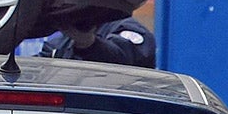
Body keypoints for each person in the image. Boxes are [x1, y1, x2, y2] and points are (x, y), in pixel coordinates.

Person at [16, 16, 156, 68]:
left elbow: (123, 58)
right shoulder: (60, 44)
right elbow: (33, 71)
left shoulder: (126, 28)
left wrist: (88, 44)